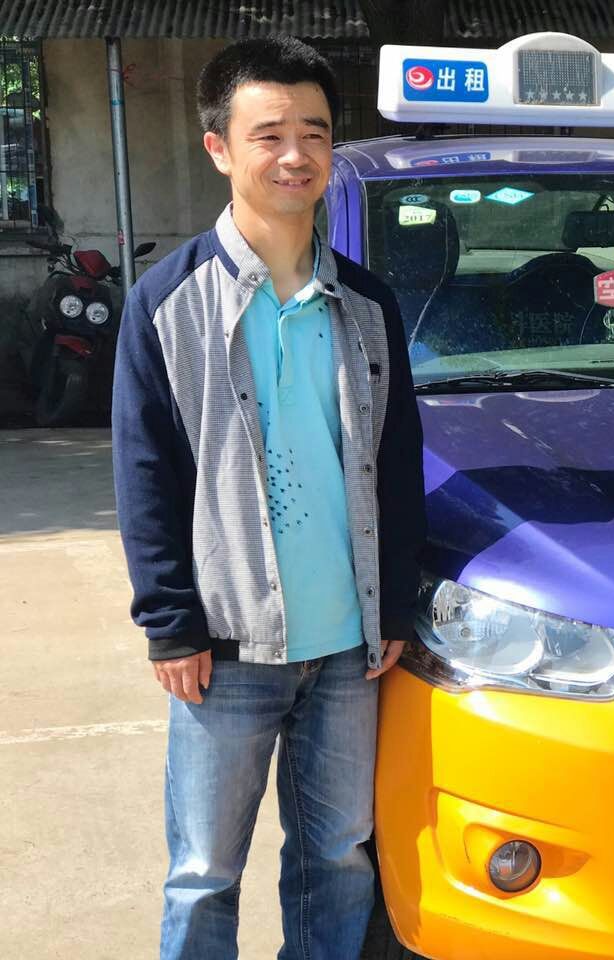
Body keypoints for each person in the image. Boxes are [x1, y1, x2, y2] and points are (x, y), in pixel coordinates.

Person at [111, 37, 425, 959]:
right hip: (226, 647)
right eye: (270, 134)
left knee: (338, 857)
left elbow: (395, 460)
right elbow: (144, 473)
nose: (296, 155)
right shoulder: (166, 303)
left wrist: (392, 607)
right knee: (204, 870)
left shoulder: (366, 304)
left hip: (349, 650)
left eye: (315, 134)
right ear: (220, 147)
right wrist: (169, 623)